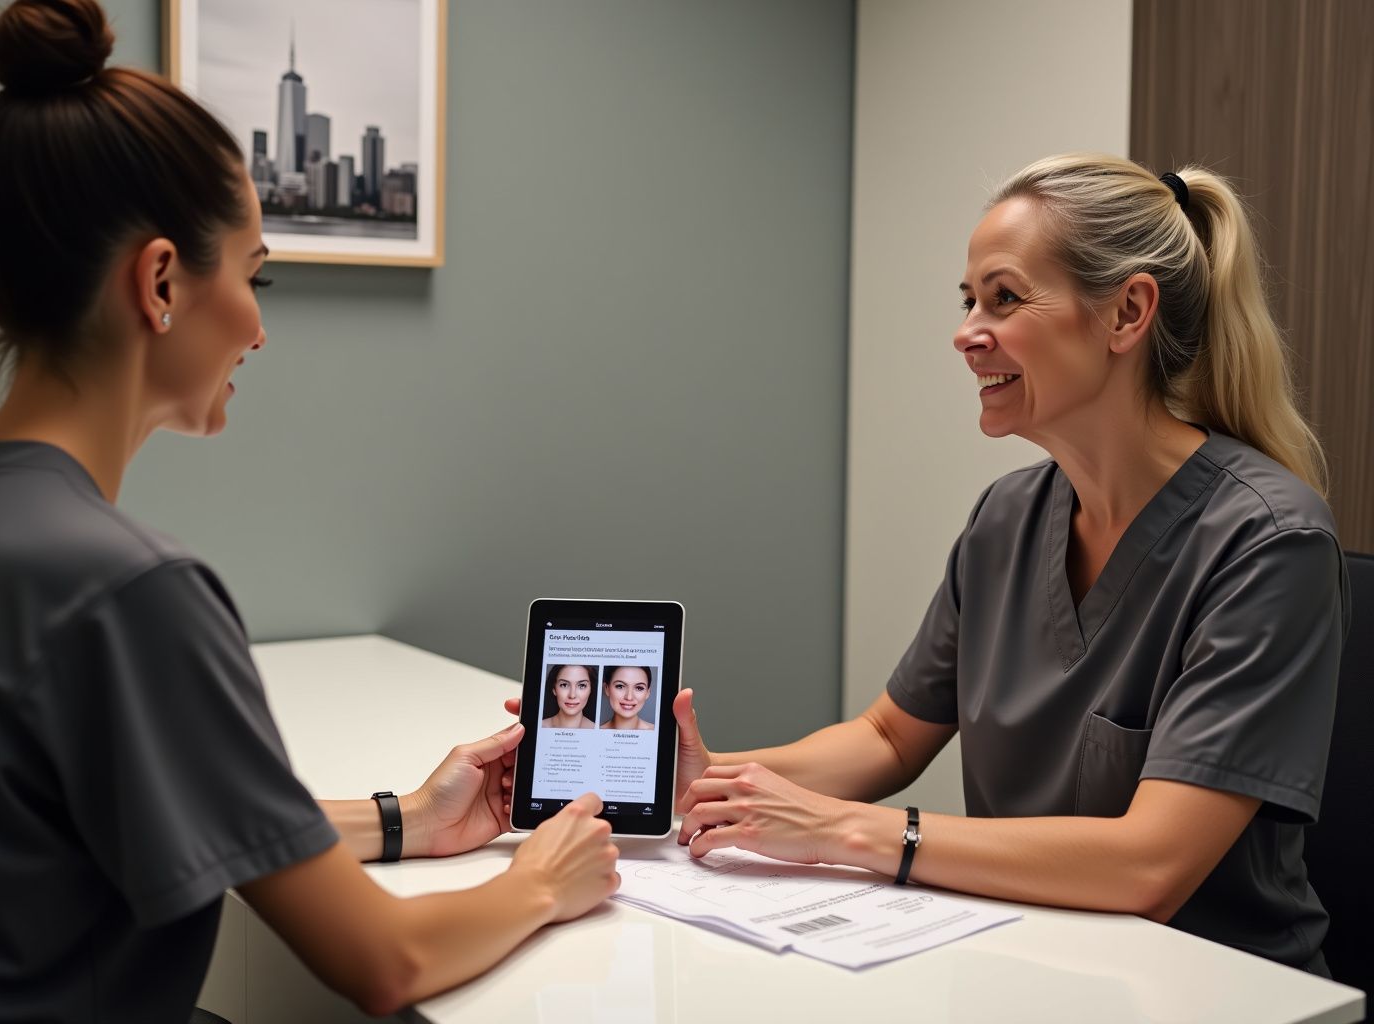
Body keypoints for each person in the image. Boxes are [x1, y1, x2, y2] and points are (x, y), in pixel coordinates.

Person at [0, 3, 619, 1021]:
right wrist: (543, 882)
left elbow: (114, 817)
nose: (259, 326)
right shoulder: (126, 591)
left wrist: (405, 821)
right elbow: (384, 960)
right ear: (161, 281)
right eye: (257, 275)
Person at [533, 154, 1344, 975]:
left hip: (1217, 987)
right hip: (1029, 960)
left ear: (1127, 313)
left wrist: (847, 832)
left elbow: (1150, 867)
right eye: (968, 302)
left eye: (1003, 298)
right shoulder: (1008, 518)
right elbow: (888, 735)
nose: (966, 333)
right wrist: (692, 774)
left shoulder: (1267, 543)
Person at [541, 664, 598, 729]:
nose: (572, 695)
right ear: (554, 689)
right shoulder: (539, 727)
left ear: (591, 689)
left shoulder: (598, 731)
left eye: (582, 685)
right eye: (564, 685)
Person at [599, 666, 656, 731]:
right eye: (620, 686)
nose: (629, 697)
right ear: (607, 689)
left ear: (648, 693)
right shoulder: (594, 733)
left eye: (639, 688)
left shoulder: (658, 732)